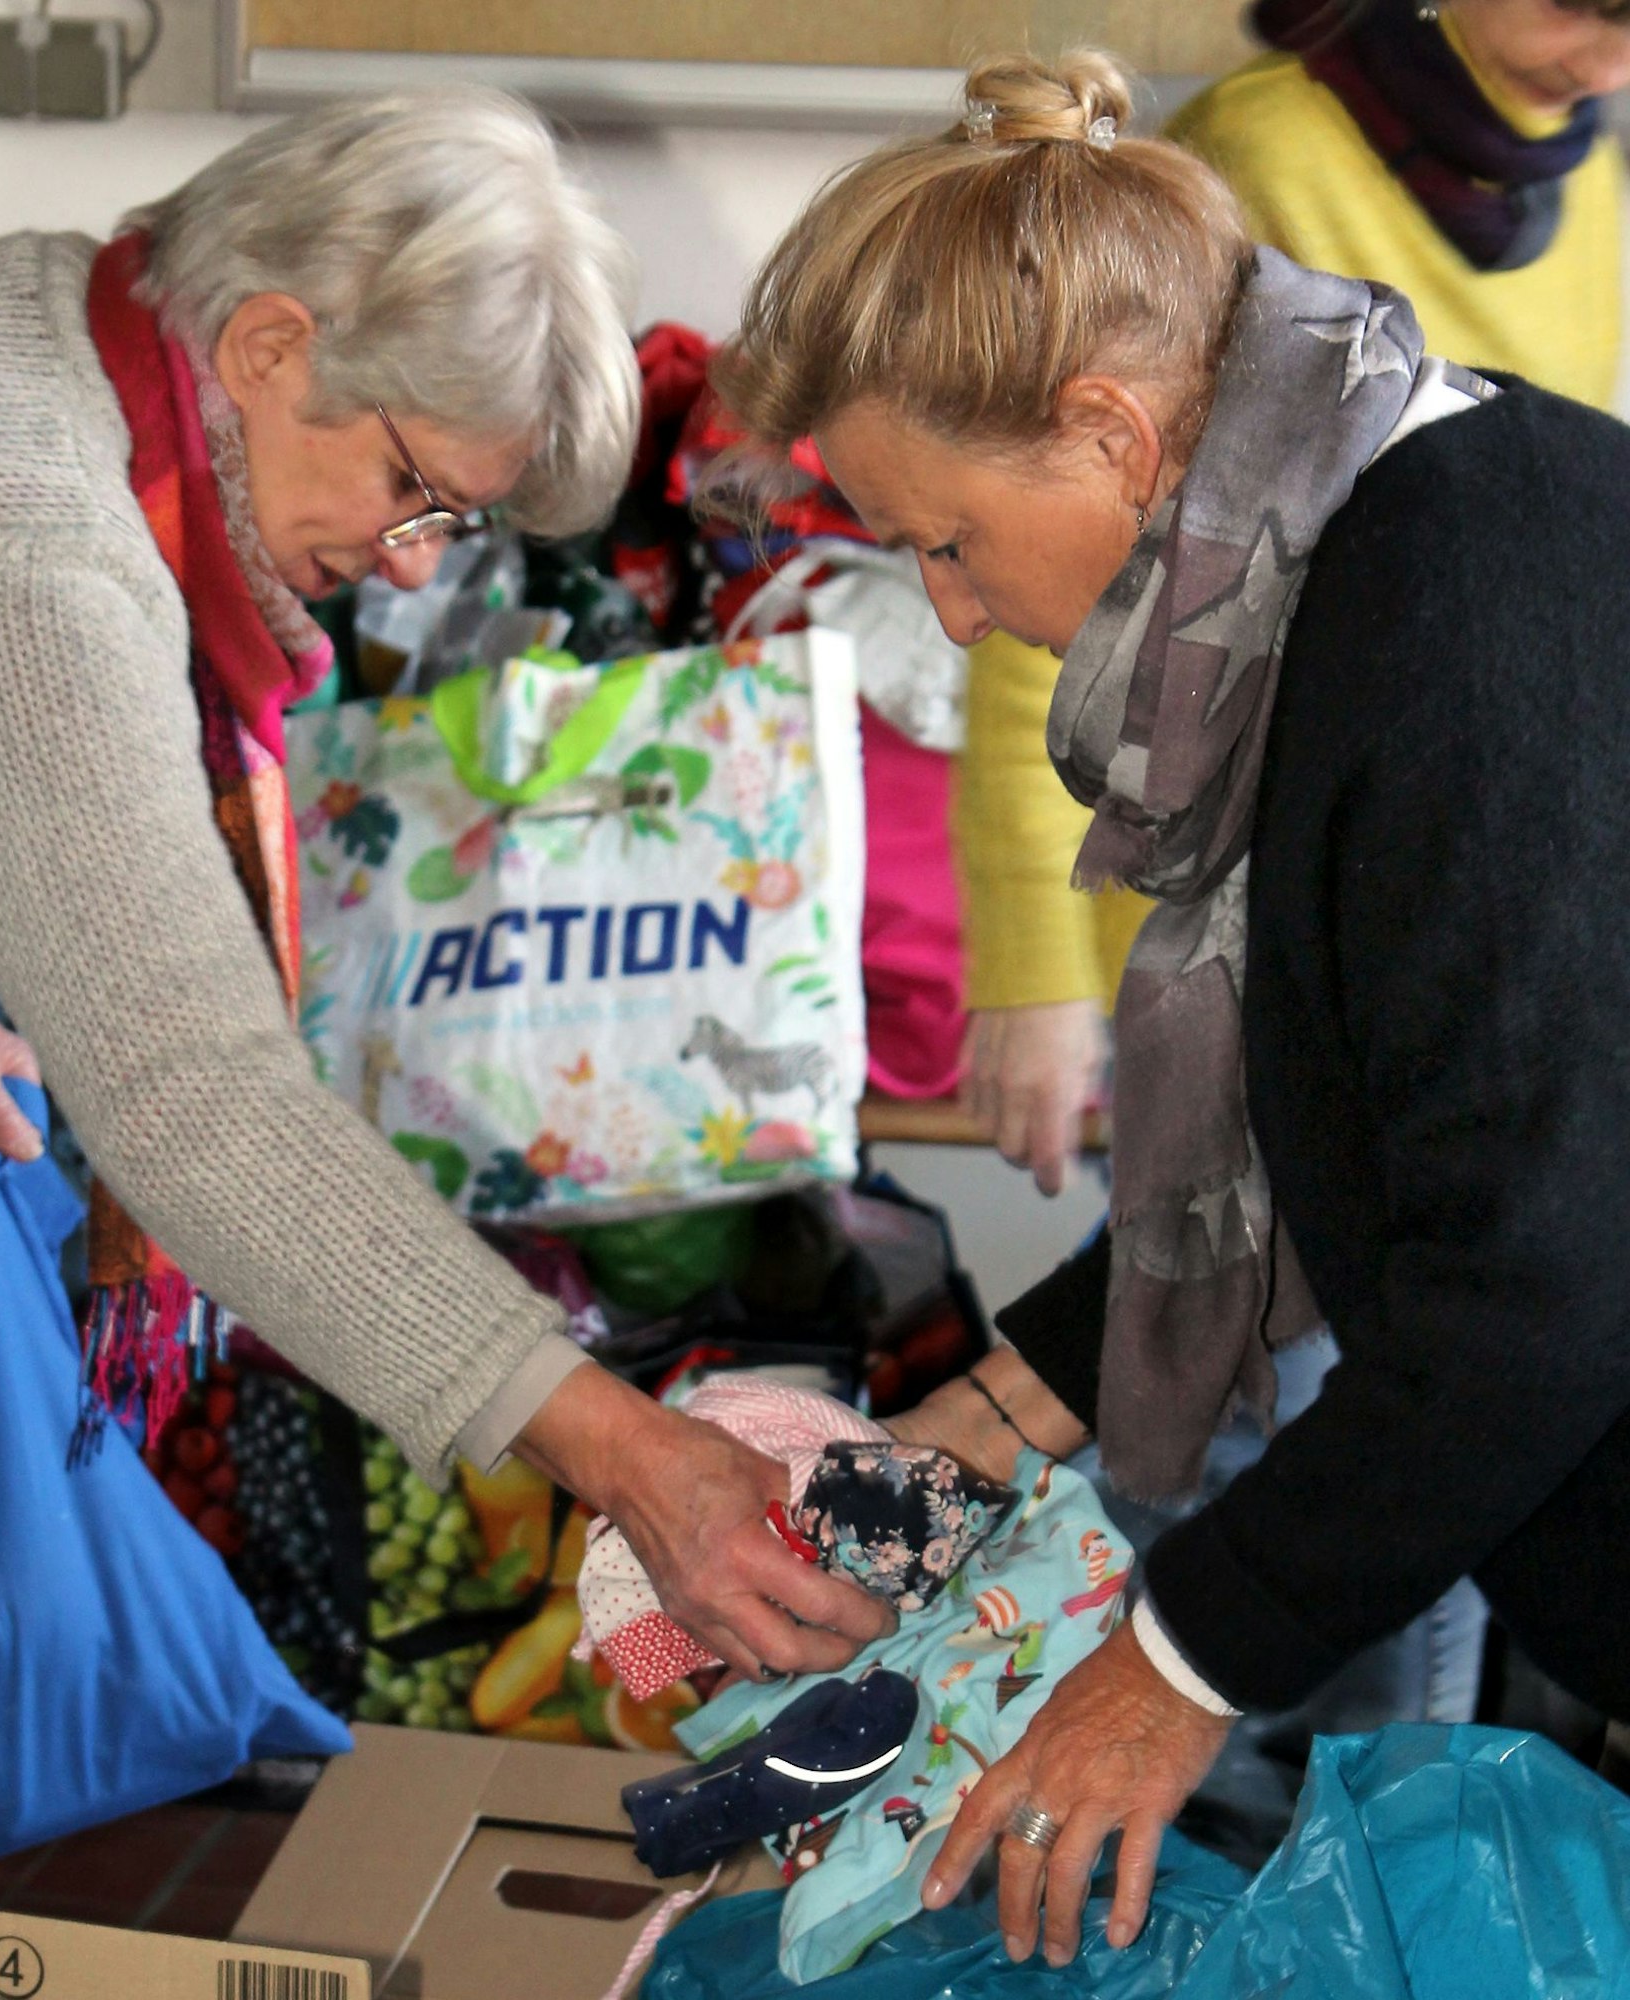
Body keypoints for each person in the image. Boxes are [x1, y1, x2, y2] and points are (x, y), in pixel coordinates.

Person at [0, 89, 890, 1898]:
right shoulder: (39, 560)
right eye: (413, 493)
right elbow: (200, 1103)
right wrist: (620, 1449)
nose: (413, 566)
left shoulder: (45, 320)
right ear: (272, 343)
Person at [714, 46, 1630, 1969]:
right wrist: (977, 1420)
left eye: (948, 543)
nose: (951, 617)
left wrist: (1170, 1671)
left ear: (1118, 432)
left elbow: (1535, 1291)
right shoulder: (1378, 528)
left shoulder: (1443, 634)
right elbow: (1334, 1127)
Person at [960, 0, 1630, 1195]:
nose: (1609, 62)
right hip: (1227, 946)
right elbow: (1066, 571)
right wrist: (1032, 966)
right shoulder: (1257, 161)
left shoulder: (1589, 205)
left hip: (1435, 919)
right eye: (1581, 8)